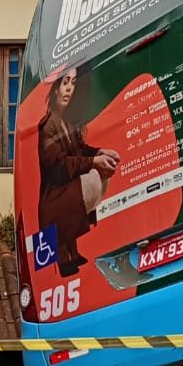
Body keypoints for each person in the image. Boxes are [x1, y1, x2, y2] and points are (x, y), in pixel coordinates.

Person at [37, 66, 119, 277]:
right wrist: (93, 162)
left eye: (73, 84)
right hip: (53, 195)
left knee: (91, 179)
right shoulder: (48, 126)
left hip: (65, 187)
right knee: (85, 185)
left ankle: (73, 253)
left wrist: (100, 152)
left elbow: (80, 149)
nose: (68, 90)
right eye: (65, 83)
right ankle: (64, 260)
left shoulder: (67, 122)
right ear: (55, 89)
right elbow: (57, 166)